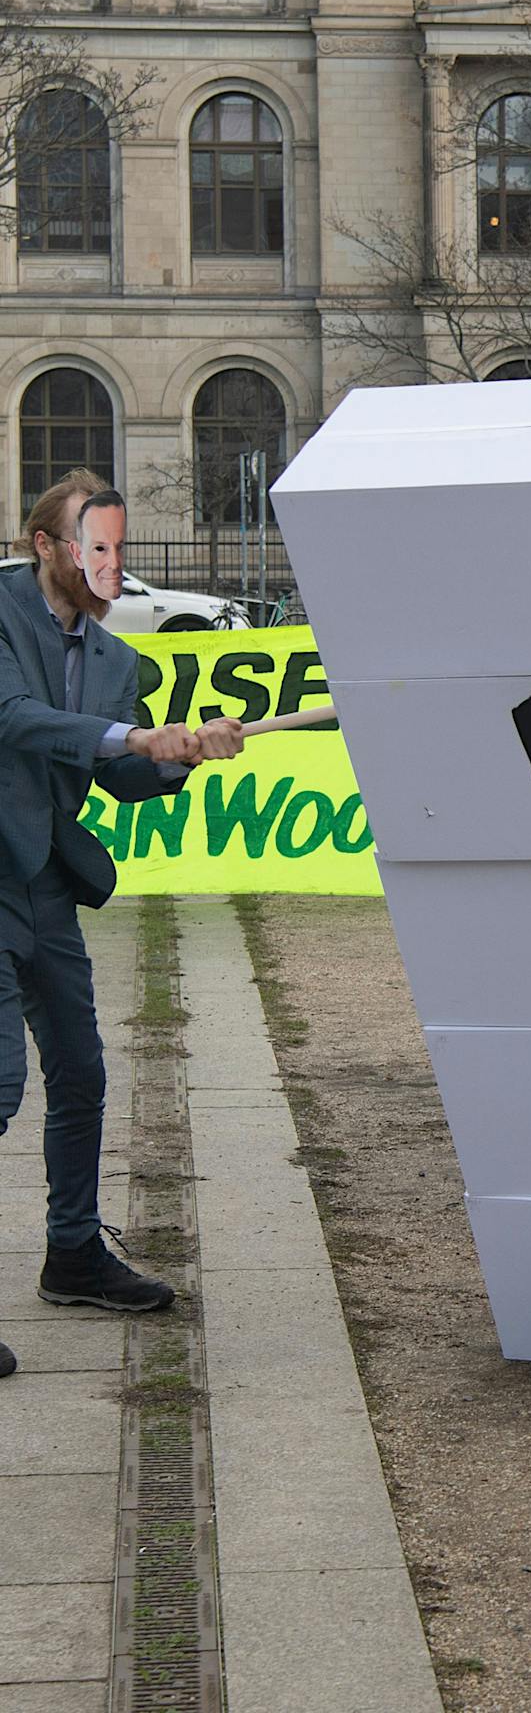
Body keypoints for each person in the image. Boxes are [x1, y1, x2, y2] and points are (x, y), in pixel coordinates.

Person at [0, 474, 244, 1380]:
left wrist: (187, 751)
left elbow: (123, 775)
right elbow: (15, 719)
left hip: (45, 883)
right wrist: (131, 737)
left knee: (81, 1071)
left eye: (117, 546)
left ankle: (73, 1254)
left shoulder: (114, 660)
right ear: (45, 546)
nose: (109, 561)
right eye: (91, 545)